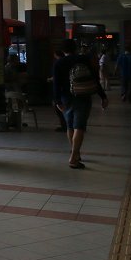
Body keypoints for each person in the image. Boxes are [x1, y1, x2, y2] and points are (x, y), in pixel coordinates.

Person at [53, 38, 108, 169]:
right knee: (80, 127)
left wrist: (57, 101)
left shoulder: (59, 63)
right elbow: (94, 79)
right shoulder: (84, 59)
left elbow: (56, 84)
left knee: (70, 127)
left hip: (66, 97)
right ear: (75, 48)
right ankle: (74, 157)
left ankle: (75, 153)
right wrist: (103, 96)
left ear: (63, 50)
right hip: (83, 96)